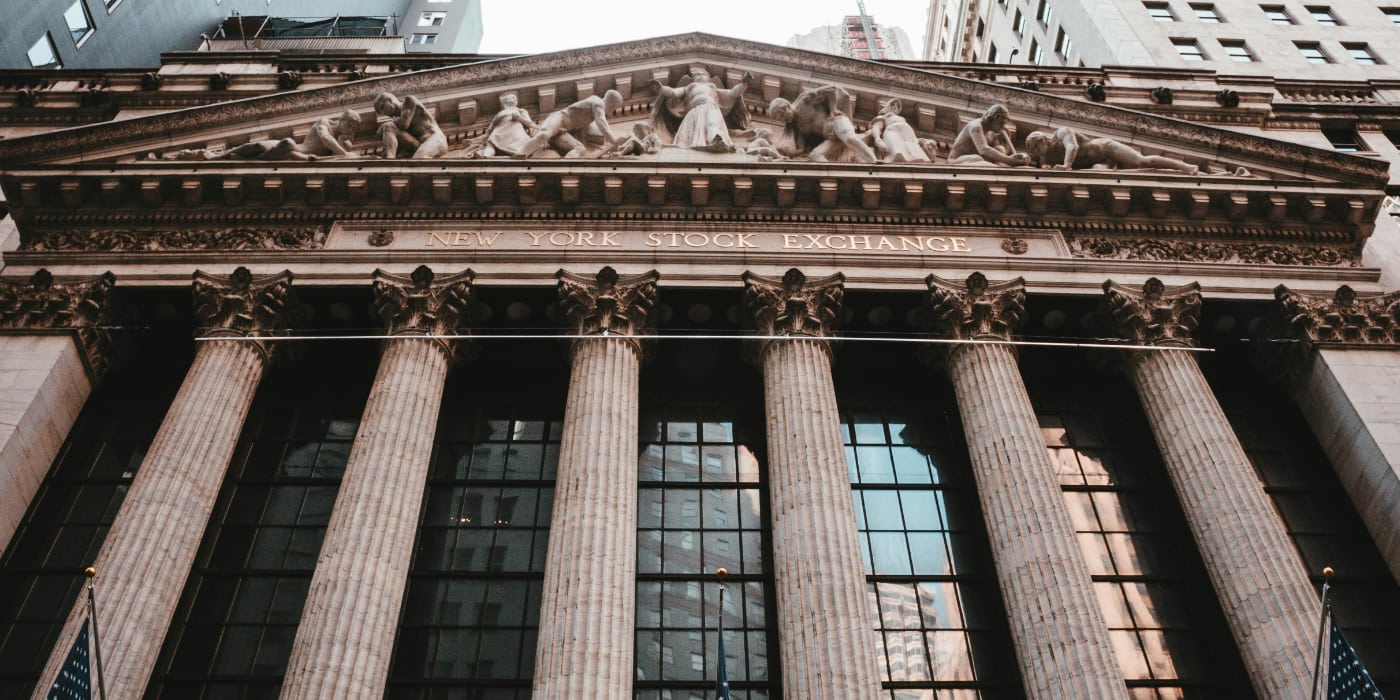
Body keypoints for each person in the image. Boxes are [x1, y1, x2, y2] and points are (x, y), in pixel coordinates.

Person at [149, 109, 361, 161]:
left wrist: (346, 148)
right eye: (350, 125)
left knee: (284, 148)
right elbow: (325, 140)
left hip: (295, 155)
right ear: (342, 120)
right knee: (258, 146)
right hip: (292, 148)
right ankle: (215, 157)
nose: (351, 130)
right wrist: (345, 154)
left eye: (354, 128)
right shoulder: (324, 122)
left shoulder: (343, 139)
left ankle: (242, 161)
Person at [649, 67, 753, 152]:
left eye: (702, 74)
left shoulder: (713, 88)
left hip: (712, 107)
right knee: (690, 131)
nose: (699, 75)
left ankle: (716, 139)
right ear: (693, 79)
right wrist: (661, 89)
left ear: (708, 78)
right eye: (697, 74)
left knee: (713, 123)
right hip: (695, 110)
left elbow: (732, 94)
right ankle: (695, 144)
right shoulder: (690, 87)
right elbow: (674, 93)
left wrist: (744, 84)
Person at [768, 85, 877, 163]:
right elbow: (801, 149)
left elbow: (831, 90)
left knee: (849, 139)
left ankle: (874, 162)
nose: (783, 120)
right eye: (780, 119)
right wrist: (784, 155)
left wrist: (833, 109)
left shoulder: (805, 101)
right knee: (815, 155)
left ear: (786, 106)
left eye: (781, 115)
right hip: (831, 138)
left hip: (835, 122)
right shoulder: (796, 127)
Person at [1024, 126, 1201, 174]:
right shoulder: (1046, 157)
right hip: (1100, 163)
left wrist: (1066, 166)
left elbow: (1073, 146)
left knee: (1142, 161)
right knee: (1096, 174)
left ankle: (1186, 167)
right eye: (1036, 153)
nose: (1039, 154)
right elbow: (1045, 170)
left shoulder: (1061, 133)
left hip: (1106, 149)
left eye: (1037, 148)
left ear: (1042, 140)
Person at [517, 90, 623, 159]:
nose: (612, 111)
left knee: (580, 149)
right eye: (614, 107)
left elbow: (589, 133)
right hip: (560, 119)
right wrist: (614, 140)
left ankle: (565, 167)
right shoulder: (598, 102)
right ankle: (521, 154)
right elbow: (601, 122)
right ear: (611, 102)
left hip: (563, 131)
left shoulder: (589, 118)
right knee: (544, 134)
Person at [947, 104, 1030, 166]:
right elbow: (983, 149)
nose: (1003, 127)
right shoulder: (976, 126)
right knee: (976, 158)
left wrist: (1020, 158)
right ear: (995, 119)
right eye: (1001, 123)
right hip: (957, 160)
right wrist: (1009, 160)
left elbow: (1002, 153)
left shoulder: (992, 133)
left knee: (1000, 149)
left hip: (982, 159)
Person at [374, 92, 448, 159]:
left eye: (382, 107)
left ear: (389, 100)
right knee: (388, 127)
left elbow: (404, 124)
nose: (384, 113)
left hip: (436, 138)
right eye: (382, 112)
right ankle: (390, 159)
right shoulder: (396, 122)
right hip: (420, 146)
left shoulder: (409, 100)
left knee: (419, 158)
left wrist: (383, 127)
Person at [865, 98, 929, 163]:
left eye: (896, 106)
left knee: (914, 153)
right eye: (892, 105)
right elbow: (877, 127)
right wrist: (878, 139)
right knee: (896, 150)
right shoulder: (883, 117)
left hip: (908, 135)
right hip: (892, 132)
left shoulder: (901, 119)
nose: (895, 106)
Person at [479, 93, 537, 157]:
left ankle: (519, 154)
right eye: (512, 97)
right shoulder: (500, 113)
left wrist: (519, 118)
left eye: (516, 98)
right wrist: (487, 135)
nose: (515, 99)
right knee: (491, 143)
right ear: (505, 100)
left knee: (518, 145)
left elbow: (530, 123)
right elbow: (491, 127)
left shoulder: (520, 111)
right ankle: (485, 156)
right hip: (499, 131)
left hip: (515, 131)